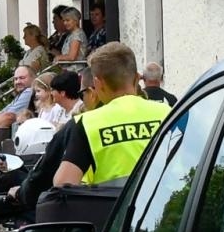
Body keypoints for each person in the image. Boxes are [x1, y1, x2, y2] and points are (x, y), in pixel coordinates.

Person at [54, 42, 171, 187]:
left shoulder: (87, 123)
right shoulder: (167, 113)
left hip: (111, 208)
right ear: (137, 78)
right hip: (169, 205)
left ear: (98, 83)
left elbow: (63, 183)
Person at [13, 70, 100, 208]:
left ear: (62, 93)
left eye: (53, 89)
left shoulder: (80, 115)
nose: (50, 93)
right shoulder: (59, 110)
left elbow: (62, 182)